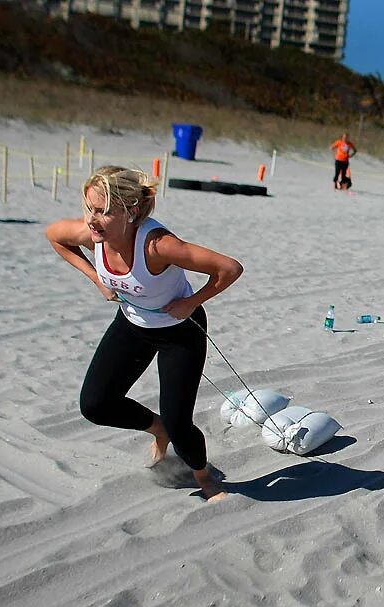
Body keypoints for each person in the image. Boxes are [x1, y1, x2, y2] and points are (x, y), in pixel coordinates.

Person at [45, 166, 244, 502]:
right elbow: (55, 236)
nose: (92, 220)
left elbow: (229, 268)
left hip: (180, 332)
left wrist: (191, 302)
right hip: (132, 325)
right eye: (89, 209)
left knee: (182, 426)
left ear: (131, 211)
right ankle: (157, 427)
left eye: (103, 212)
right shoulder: (92, 234)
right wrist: (95, 277)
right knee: (95, 404)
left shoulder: (158, 246)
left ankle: (205, 477)